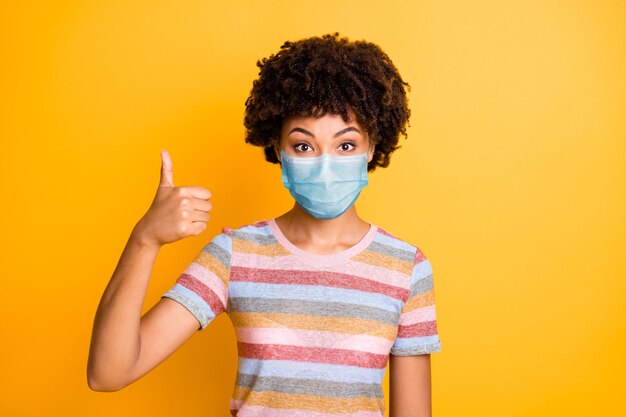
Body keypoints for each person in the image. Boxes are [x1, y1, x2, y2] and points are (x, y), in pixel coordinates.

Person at [88, 32, 442, 417]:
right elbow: (109, 372)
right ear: (278, 149)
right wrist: (145, 239)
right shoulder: (235, 255)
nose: (324, 164)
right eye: (303, 145)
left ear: (372, 147)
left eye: (345, 145)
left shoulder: (406, 268)